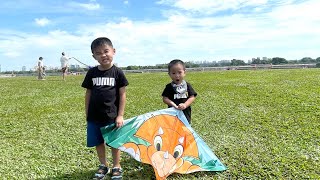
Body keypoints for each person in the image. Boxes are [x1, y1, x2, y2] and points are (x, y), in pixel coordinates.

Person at [81, 37, 128, 180]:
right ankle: (103, 165)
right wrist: (87, 112)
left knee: (114, 142)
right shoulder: (92, 73)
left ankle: (116, 166)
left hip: (112, 116)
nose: (103, 55)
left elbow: (122, 94)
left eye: (106, 51)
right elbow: (88, 93)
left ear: (113, 51)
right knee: (98, 142)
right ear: (94, 56)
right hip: (94, 116)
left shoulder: (117, 72)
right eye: (98, 53)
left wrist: (120, 115)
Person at [162, 59, 197, 123]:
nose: (177, 75)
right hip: (172, 113)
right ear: (169, 74)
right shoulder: (169, 87)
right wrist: (174, 105)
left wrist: (185, 105)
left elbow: (192, 96)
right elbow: (165, 98)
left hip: (185, 113)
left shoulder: (187, 85)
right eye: (173, 73)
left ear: (184, 72)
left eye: (179, 72)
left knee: (185, 128)